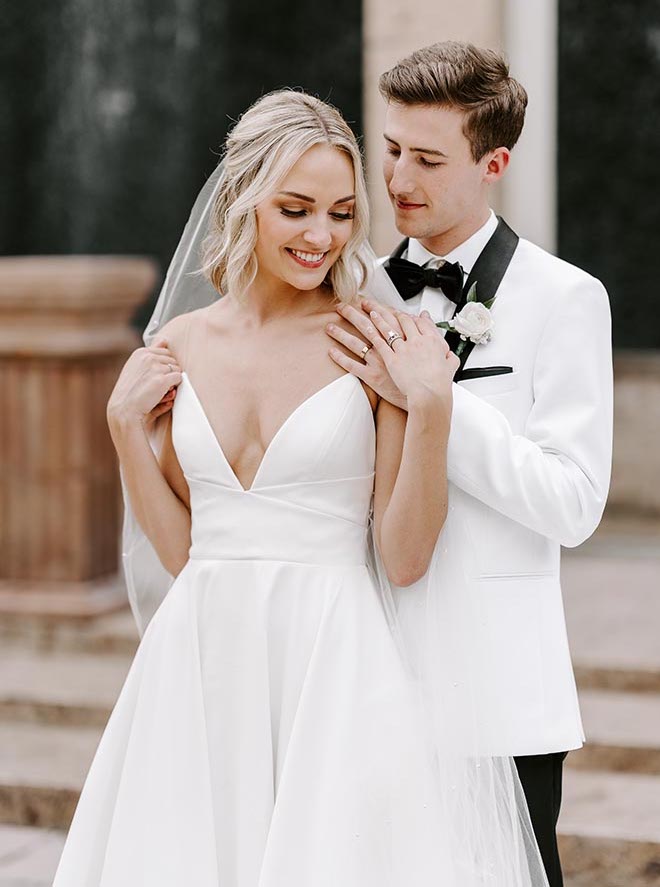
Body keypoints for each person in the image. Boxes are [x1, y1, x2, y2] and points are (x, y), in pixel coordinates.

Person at [52, 90, 548, 887]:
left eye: (344, 213)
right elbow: (186, 552)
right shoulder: (178, 344)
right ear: (244, 198)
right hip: (198, 664)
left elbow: (407, 554)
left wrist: (429, 403)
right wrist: (123, 429)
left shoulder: (372, 339)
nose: (323, 236)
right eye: (295, 209)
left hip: (333, 660)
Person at [327, 41, 613, 887]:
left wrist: (437, 400)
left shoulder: (566, 299)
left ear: (494, 163)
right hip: (370, 687)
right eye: (390, 149)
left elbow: (573, 503)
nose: (397, 177)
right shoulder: (354, 294)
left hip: (500, 699)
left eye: (427, 157)